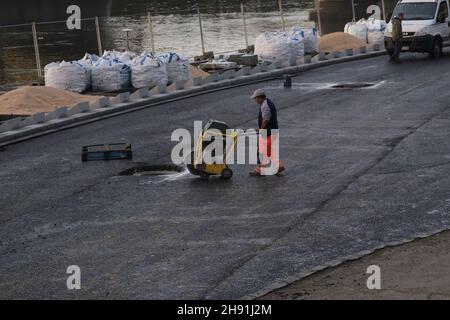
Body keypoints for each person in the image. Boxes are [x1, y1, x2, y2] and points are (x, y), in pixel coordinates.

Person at [249, 89, 285, 176]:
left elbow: (266, 119)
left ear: (260, 97)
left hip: (268, 132)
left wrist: (261, 129)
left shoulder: (265, 106)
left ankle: (260, 170)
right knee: (268, 151)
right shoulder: (268, 102)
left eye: (256, 98)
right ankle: (278, 166)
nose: (255, 100)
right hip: (271, 131)